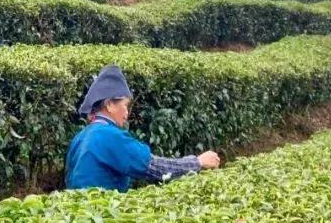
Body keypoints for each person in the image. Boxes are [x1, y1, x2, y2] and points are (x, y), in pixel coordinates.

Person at [66, 64, 221, 192]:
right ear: (110, 105)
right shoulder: (109, 136)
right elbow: (155, 168)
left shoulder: (81, 136)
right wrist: (197, 162)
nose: (127, 113)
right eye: (125, 106)